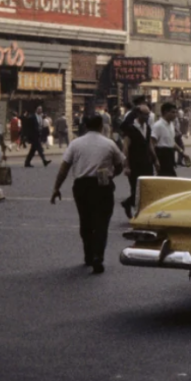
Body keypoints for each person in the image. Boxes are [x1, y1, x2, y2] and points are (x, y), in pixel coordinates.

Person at [50, 114, 125, 274]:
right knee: (102, 222)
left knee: (86, 220)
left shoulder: (75, 144)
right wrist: (111, 174)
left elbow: (64, 167)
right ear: (101, 126)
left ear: (85, 126)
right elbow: (120, 164)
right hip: (102, 185)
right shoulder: (109, 144)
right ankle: (98, 255)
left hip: (81, 186)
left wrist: (56, 188)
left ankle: (88, 254)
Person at [120, 106, 155, 220]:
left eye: (148, 114)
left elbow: (149, 144)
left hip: (147, 162)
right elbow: (125, 148)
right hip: (135, 163)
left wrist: (155, 159)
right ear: (138, 114)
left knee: (147, 188)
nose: (147, 117)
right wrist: (126, 166)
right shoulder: (130, 129)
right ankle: (137, 213)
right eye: (145, 114)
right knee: (136, 189)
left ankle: (128, 203)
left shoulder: (147, 127)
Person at [151, 103, 188, 177]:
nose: (175, 114)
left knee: (169, 180)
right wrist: (155, 160)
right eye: (173, 112)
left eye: (175, 112)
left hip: (170, 156)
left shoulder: (171, 125)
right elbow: (151, 144)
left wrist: (182, 152)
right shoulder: (158, 126)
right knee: (167, 180)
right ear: (165, 112)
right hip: (162, 155)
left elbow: (172, 142)